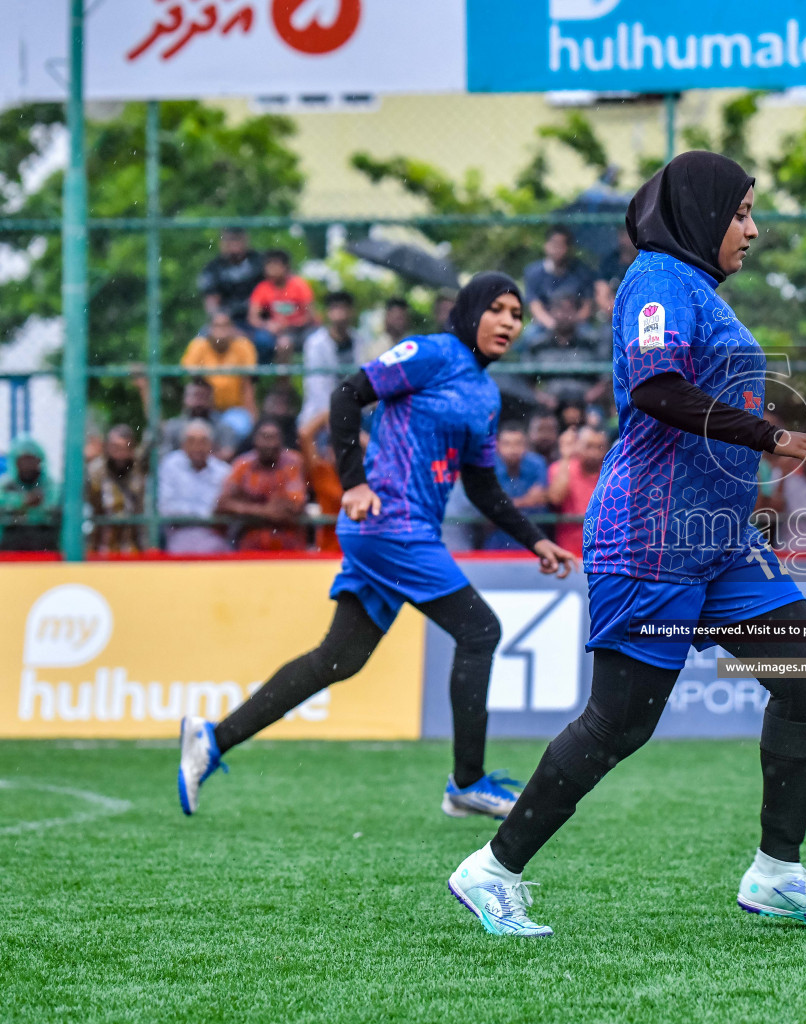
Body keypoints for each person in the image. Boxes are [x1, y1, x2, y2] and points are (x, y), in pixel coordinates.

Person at [451, 152, 806, 938]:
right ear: (703, 214)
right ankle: (491, 869)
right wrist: (776, 436)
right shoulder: (659, 280)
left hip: (719, 540)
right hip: (649, 537)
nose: (751, 228)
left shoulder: (701, 292)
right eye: (741, 212)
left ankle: (777, 873)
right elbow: (656, 388)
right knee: (619, 723)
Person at [178, 274, 579, 823]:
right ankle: (466, 782)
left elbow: (482, 486)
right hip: (387, 523)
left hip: (408, 531)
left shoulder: (486, 396)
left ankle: (212, 739)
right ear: (469, 313)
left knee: (338, 659)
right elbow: (347, 393)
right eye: (498, 309)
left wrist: (536, 540)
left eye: (517, 314)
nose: (510, 322)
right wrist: (355, 483)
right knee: (481, 630)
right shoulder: (433, 353)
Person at [215, 417, 308, 552]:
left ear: (281, 441)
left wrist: (245, 506)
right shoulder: (242, 465)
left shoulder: (293, 463)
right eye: (265, 437)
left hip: (289, 543)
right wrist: (264, 511)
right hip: (250, 543)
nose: (269, 443)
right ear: (255, 440)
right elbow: (222, 504)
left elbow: (294, 506)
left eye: (273, 437)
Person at [522, 291, 610, 411]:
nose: (563, 315)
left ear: (576, 312)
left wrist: (588, 398)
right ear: (551, 313)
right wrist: (544, 399)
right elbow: (526, 381)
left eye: (568, 310)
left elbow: (606, 378)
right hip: (548, 407)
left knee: (595, 418)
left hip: (588, 405)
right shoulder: (538, 345)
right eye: (559, 310)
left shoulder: (591, 343)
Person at [181, 310, 258, 441]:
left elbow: (248, 385)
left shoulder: (243, 346)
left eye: (225, 326)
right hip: (204, 411)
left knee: (240, 430)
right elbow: (191, 382)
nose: (221, 331)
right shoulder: (198, 346)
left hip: (235, 410)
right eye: (217, 326)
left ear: (232, 329)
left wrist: (252, 417)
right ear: (209, 329)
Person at [157, 420, 231, 555]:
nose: (197, 446)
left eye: (203, 441)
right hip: (179, 533)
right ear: (183, 445)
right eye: (191, 441)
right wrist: (206, 515)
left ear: (211, 445)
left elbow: (225, 509)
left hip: (214, 535)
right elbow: (166, 508)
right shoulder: (170, 465)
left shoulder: (223, 471)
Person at [481, 424, 551, 551]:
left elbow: (539, 499)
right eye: (507, 444)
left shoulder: (537, 463)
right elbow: (488, 509)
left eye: (518, 443)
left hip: (533, 543)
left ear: (526, 445)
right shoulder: (488, 466)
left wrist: (502, 507)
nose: (513, 449)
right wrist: (526, 501)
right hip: (496, 544)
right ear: (497, 446)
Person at [524, 226, 596, 338]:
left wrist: (570, 325)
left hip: (576, 325)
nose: (557, 249)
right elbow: (535, 306)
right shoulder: (534, 272)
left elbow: (587, 306)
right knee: (529, 336)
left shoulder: (582, 271)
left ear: (569, 248)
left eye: (561, 245)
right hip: (546, 324)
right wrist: (553, 325)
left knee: (592, 337)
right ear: (546, 245)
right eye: (553, 244)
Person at [299, 291, 360, 426]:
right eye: (335, 308)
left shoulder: (360, 340)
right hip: (321, 413)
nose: (340, 313)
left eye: (343, 308)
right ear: (328, 312)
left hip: (355, 410)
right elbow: (316, 387)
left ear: (351, 311)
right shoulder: (315, 343)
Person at [545, 423, 607, 555]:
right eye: (588, 446)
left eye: (599, 447)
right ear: (578, 446)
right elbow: (555, 498)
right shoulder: (561, 468)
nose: (594, 452)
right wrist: (566, 455)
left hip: (603, 552)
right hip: (569, 551)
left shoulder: (611, 473)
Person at [86, 424, 146, 554]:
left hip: (131, 548)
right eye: (116, 448)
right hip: (100, 548)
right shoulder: (95, 472)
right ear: (107, 448)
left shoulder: (138, 471)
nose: (120, 455)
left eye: (125, 449)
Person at [247, 249, 314, 363]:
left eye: (275, 265)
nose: (271, 270)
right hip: (275, 332)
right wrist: (267, 325)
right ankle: (277, 379)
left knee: (289, 343)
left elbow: (311, 316)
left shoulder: (299, 285)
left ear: (285, 267)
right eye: (268, 265)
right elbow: (253, 318)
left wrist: (290, 324)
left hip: (301, 330)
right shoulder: (263, 288)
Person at [155, 378, 240, 461]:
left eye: (204, 397)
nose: (199, 402)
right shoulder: (172, 427)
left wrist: (199, 462)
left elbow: (228, 454)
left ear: (212, 400)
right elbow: (164, 456)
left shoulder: (223, 428)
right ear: (185, 399)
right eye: (195, 396)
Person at [0, 435, 59, 552]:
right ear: (15, 462)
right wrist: (22, 501)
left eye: (31, 459)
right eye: (23, 460)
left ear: (39, 461)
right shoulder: (6, 484)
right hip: (10, 548)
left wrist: (40, 503)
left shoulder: (49, 485)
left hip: (45, 547)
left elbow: (55, 502)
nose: (27, 465)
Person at [197, 227, 263, 326]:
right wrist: (219, 319)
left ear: (246, 241)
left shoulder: (259, 262)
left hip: (258, 319)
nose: (234, 244)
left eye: (237, 239)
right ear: (221, 243)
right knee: (202, 340)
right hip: (226, 321)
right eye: (230, 239)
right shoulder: (213, 268)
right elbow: (211, 300)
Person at [298, 411, 343, 553]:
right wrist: (333, 410)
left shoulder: (366, 473)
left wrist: (353, 432)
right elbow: (305, 434)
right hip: (330, 548)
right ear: (329, 450)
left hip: (362, 550)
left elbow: (380, 453)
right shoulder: (322, 472)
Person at [595, 225, 639, 323]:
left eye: (628, 235)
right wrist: (613, 309)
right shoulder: (609, 262)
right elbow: (601, 292)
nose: (625, 239)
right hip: (612, 315)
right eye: (622, 234)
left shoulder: (642, 263)